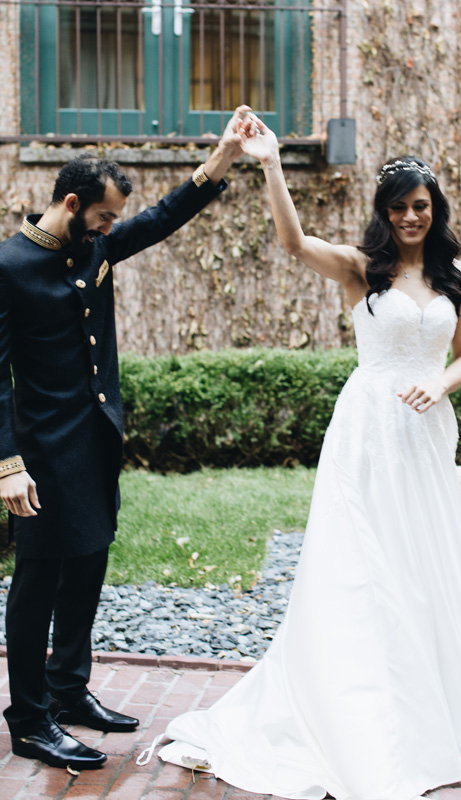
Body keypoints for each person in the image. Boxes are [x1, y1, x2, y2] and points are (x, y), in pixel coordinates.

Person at [147, 117, 461, 800]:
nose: (409, 216)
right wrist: (271, 164)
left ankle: (439, 715)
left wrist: (438, 382)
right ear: (383, 213)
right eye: (398, 206)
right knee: (363, 562)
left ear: (435, 209)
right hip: (367, 428)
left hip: (425, 434)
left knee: (423, 560)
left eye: (419, 205)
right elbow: (290, 241)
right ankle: (365, 708)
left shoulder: (458, 273)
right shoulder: (358, 268)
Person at [0, 105, 249, 771]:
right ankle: (28, 719)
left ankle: (68, 690)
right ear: (73, 202)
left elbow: (162, 216)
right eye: (104, 216)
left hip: (95, 443)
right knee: (37, 584)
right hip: (41, 454)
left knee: (88, 567)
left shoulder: (94, 247)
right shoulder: (10, 265)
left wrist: (222, 156)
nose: (111, 228)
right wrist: (7, 464)